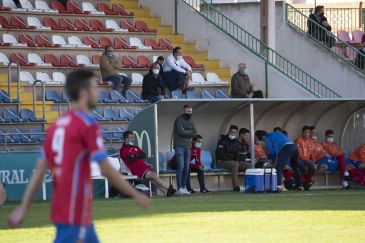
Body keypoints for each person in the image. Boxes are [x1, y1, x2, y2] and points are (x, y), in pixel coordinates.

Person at [7, 70, 149, 241]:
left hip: (68, 209)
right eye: (94, 89)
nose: (98, 93)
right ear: (83, 93)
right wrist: (135, 194)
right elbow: (106, 169)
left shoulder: (56, 127)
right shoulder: (86, 125)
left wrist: (24, 207)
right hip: (75, 212)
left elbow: (39, 172)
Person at [120, 131, 176, 196]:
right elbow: (130, 160)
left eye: (133, 137)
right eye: (131, 138)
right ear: (126, 139)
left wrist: (135, 155)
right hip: (136, 169)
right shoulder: (123, 150)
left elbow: (143, 155)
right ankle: (170, 189)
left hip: (143, 166)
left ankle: (166, 192)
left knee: (152, 179)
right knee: (153, 176)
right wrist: (137, 156)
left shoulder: (135, 147)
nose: (133, 139)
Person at [216, 125, 250, 191]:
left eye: (234, 132)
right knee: (235, 164)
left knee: (249, 166)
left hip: (233, 162)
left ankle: (249, 185)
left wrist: (237, 160)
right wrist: (233, 160)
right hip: (221, 161)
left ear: (237, 133)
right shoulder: (222, 140)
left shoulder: (236, 142)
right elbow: (220, 154)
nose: (232, 134)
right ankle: (236, 186)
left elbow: (237, 154)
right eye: (231, 132)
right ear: (229, 131)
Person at [173, 104, 197, 195]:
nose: (189, 113)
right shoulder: (178, 120)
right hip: (179, 145)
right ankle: (179, 188)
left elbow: (195, 133)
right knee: (181, 166)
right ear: (183, 111)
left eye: (190, 112)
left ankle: (183, 187)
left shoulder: (191, 120)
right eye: (187, 111)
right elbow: (180, 132)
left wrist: (188, 132)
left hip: (188, 146)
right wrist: (190, 132)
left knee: (186, 168)